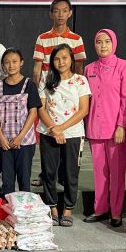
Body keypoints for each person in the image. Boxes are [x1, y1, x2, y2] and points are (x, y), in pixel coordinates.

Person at [31, 0, 87, 187]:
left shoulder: (76, 39)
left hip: (69, 93)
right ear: (51, 14)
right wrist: (37, 91)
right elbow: (37, 68)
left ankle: (64, 176)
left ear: (70, 13)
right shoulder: (42, 38)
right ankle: (46, 175)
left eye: (64, 10)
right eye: (56, 11)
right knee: (48, 134)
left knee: (68, 134)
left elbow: (79, 67)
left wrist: (75, 87)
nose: (60, 15)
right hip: (48, 90)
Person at [83, 29, 126, 227]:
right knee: (99, 172)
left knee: (117, 173)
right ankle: (100, 209)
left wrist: (122, 125)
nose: (103, 45)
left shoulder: (124, 67)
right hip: (95, 128)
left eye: (107, 41)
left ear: (114, 43)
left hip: (116, 130)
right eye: (99, 42)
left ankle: (116, 212)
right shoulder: (89, 69)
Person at [37, 44, 91, 227]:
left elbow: (83, 110)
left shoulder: (80, 80)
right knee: (49, 172)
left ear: (71, 60)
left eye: (64, 58)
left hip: (73, 134)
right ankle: (52, 208)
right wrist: (54, 129)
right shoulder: (46, 79)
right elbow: (41, 108)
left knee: (70, 172)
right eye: (57, 59)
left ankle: (68, 209)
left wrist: (61, 129)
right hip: (48, 132)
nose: (61, 62)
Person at [0, 48, 41, 196]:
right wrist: (1, 138)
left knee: (24, 180)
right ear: (3, 65)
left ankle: (24, 209)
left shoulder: (29, 84)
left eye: (14, 61)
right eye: (7, 62)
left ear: (21, 63)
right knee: (7, 182)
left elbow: (33, 112)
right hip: (5, 143)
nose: (11, 65)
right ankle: (9, 209)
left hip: (24, 142)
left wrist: (20, 137)